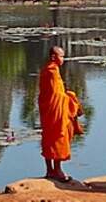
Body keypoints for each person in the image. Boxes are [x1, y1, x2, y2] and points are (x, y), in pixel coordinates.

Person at [38, 46, 84, 182]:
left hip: (49, 110)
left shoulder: (48, 70)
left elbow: (51, 94)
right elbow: (56, 95)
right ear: (53, 57)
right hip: (54, 111)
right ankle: (57, 170)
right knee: (58, 135)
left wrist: (67, 96)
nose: (63, 59)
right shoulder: (52, 72)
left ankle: (49, 170)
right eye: (61, 56)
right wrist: (71, 98)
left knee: (48, 137)